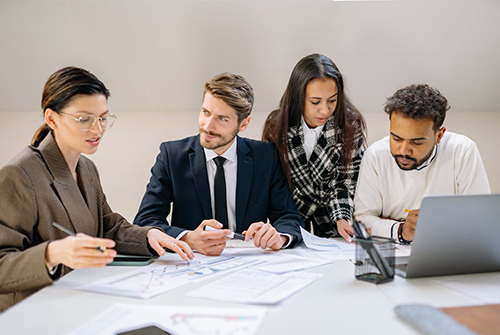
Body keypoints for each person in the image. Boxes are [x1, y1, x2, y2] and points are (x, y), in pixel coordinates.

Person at [0, 67, 193, 312]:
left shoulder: (86, 168)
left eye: (103, 118)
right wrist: (51, 253)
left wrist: (147, 235)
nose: (98, 129)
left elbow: (107, 225)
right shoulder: (19, 174)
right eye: (85, 119)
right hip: (33, 311)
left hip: (79, 299)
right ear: (51, 119)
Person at [134, 72, 304, 255]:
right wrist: (187, 238)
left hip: (248, 262)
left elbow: (289, 217)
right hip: (190, 264)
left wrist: (279, 237)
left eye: (222, 119)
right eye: (206, 112)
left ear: (244, 124)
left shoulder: (266, 156)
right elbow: (145, 221)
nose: (208, 126)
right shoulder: (171, 156)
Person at [354, 84, 491, 243]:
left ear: (439, 135)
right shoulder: (376, 155)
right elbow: (362, 219)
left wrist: (386, 221)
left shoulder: (463, 151)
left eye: (416, 142)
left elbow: (480, 219)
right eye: (396, 138)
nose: (404, 150)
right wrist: (401, 229)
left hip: (449, 251)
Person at [262, 54, 366, 242]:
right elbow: (275, 182)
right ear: (298, 97)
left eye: (332, 100)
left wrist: (342, 216)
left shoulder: (351, 126)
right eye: (315, 102)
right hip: (289, 219)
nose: (325, 110)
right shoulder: (277, 126)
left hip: (334, 222)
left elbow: (346, 182)